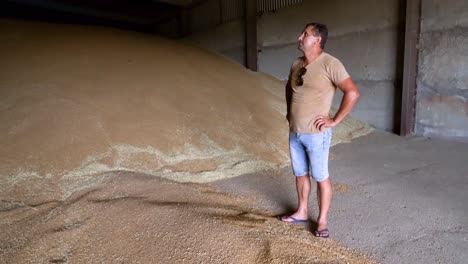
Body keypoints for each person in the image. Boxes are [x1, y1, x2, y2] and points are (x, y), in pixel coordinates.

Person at [278, 22, 360, 238]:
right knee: (300, 174)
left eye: (304, 34)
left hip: (316, 135)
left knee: (321, 177)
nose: (299, 37)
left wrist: (334, 121)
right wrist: (289, 113)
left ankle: (322, 221)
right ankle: (302, 211)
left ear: (317, 40)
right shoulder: (297, 63)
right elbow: (290, 88)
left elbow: (352, 93)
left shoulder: (330, 63)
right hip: (295, 131)